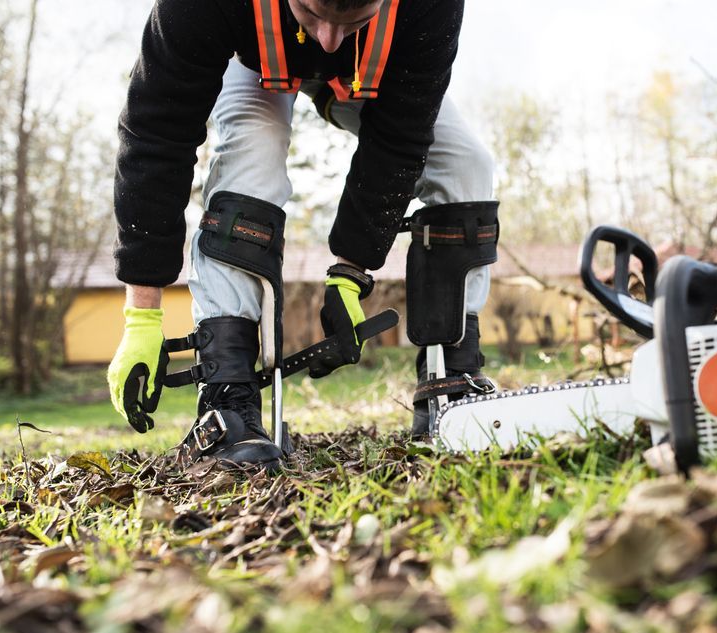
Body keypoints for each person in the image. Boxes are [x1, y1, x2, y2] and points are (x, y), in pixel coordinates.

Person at [106, 0, 500, 470]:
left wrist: (351, 270)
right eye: (314, 13)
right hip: (249, 54)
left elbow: (401, 136)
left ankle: (450, 383)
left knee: (467, 165)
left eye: (350, 20)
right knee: (254, 155)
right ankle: (227, 399)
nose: (328, 38)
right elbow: (157, 135)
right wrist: (142, 316)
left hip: (372, 71)